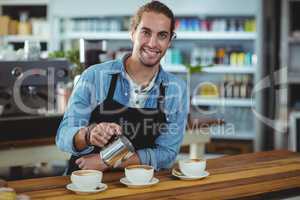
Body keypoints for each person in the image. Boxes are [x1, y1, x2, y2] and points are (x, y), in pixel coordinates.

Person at [56, 1, 189, 174]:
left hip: (139, 184)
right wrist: (89, 135)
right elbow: (63, 136)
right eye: (146, 32)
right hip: (85, 181)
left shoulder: (175, 90)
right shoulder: (95, 76)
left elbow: (167, 154)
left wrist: (108, 160)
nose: (152, 43)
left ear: (170, 40)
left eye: (162, 35)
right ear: (133, 33)